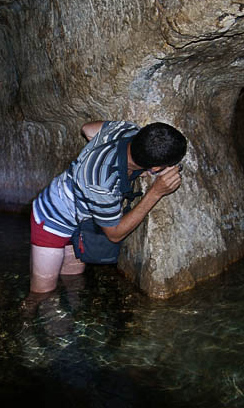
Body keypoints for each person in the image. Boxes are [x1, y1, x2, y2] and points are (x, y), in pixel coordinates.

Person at [29, 120, 187, 293]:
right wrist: (155, 192)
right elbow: (114, 234)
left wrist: (101, 154)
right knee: (43, 292)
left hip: (81, 220)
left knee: (73, 279)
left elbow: (87, 129)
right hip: (52, 219)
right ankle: (28, 314)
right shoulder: (101, 184)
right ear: (156, 167)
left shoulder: (127, 130)